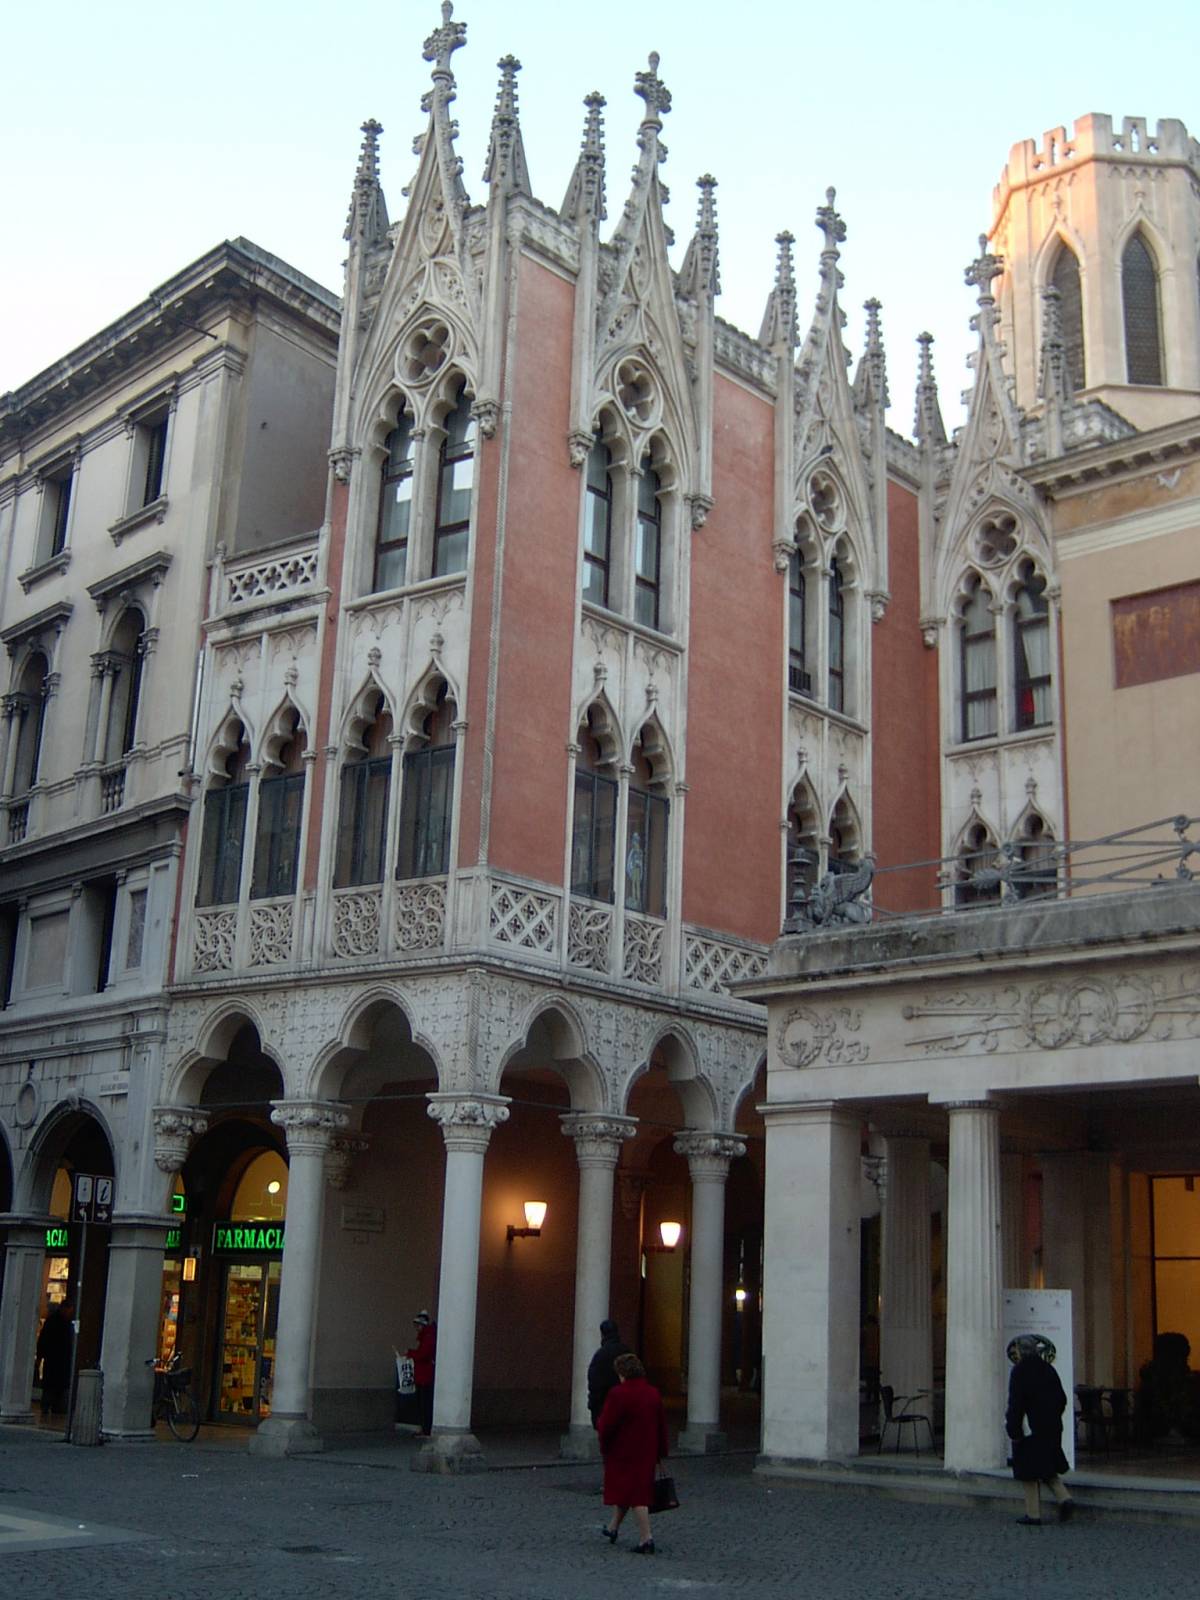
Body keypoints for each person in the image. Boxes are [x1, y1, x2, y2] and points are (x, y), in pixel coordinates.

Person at [597, 1352, 669, 1555]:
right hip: (647, 1451)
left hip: (623, 1452)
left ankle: (646, 1538)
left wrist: (604, 1445)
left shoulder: (618, 1394)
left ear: (622, 1373)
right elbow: (661, 1425)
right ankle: (613, 1527)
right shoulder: (652, 1393)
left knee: (636, 1495)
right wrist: (661, 1451)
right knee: (629, 1491)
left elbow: (607, 1424)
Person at [1006, 1334, 1074, 1524]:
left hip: (1032, 1427)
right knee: (1046, 1465)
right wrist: (1053, 1416)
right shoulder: (1048, 1368)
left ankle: (1033, 1513)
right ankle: (1064, 1498)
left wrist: (1014, 1430)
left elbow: (1016, 1404)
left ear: (1020, 1351)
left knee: (1028, 1471)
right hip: (1052, 1425)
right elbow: (1061, 1399)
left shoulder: (1019, 1371)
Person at [587, 1318, 629, 1428]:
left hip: (606, 1408)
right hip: (626, 1408)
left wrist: (593, 1406)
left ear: (602, 1334)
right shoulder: (627, 1352)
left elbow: (594, 1384)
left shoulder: (600, 1355)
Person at [36, 1297, 74, 1418]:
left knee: (56, 1388)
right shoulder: (55, 1322)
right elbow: (44, 1341)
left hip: (59, 1362)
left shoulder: (64, 1323)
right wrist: (40, 1356)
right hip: (54, 1361)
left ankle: (55, 1408)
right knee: (51, 1387)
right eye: (69, 1310)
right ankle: (49, 1407)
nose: (70, 1313)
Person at [406, 1310, 437, 1437]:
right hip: (423, 1374)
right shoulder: (427, 1336)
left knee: (424, 1403)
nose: (417, 1328)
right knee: (423, 1403)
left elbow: (423, 1355)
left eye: (418, 1325)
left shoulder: (428, 1337)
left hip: (425, 1375)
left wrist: (411, 1353)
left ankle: (426, 1429)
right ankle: (424, 1428)